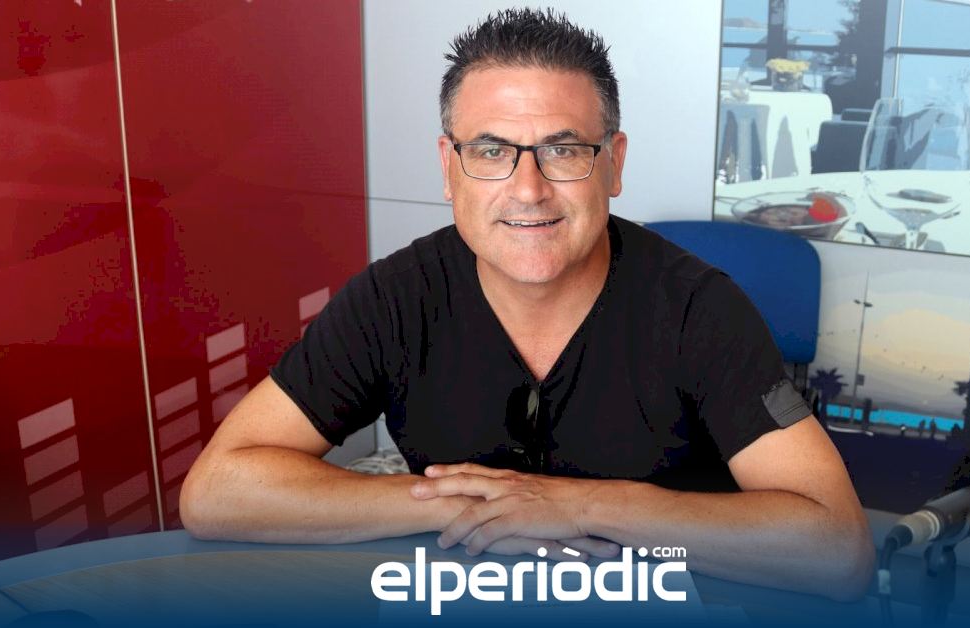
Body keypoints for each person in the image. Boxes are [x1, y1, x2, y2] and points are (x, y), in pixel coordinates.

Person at [180, 8, 873, 601]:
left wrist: (581, 505)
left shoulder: (699, 308)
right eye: (491, 151)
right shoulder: (395, 297)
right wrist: (466, 504)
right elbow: (217, 493)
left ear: (614, 163)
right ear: (449, 168)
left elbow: (837, 551)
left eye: (563, 150)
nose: (528, 189)